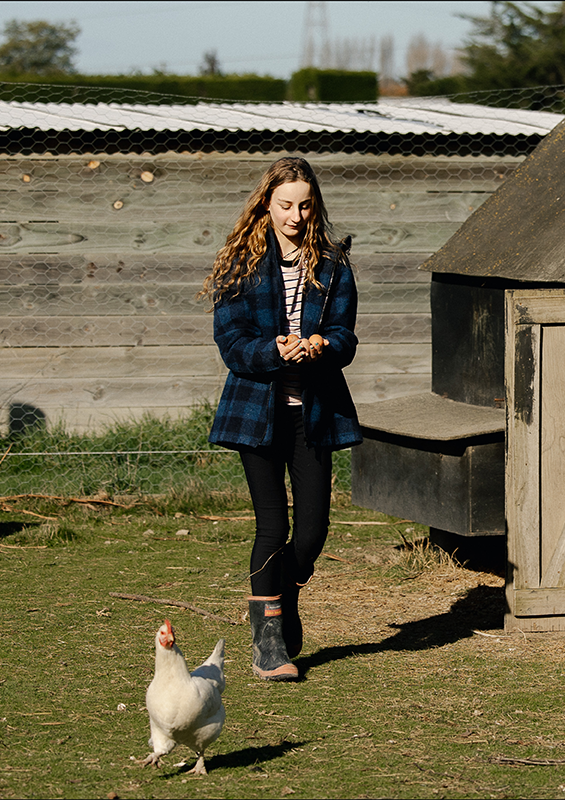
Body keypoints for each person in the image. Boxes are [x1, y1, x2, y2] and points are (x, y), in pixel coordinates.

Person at [199, 156, 361, 682]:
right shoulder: (239, 264)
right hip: (257, 415)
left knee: (312, 534)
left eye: (305, 206)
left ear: (316, 206)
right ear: (265, 204)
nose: (295, 216)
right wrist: (273, 350)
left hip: (314, 414)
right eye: (286, 205)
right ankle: (268, 643)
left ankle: (281, 596)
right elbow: (232, 343)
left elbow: (346, 336)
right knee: (273, 526)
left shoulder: (333, 265)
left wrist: (323, 346)